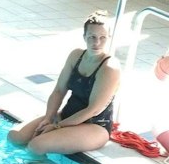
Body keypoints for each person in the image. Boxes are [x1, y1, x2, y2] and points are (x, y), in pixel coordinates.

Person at [9, 12, 118, 156]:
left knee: (37, 145)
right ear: (84, 37)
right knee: (15, 136)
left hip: (94, 126)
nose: (96, 42)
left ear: (108, 38)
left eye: (102, 37)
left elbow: (93, 110)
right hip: (67, 116)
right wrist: (49, 118)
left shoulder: (109, 67)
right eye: (92, 37)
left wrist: (57, 126)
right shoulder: (76, 55)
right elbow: (59, 90)